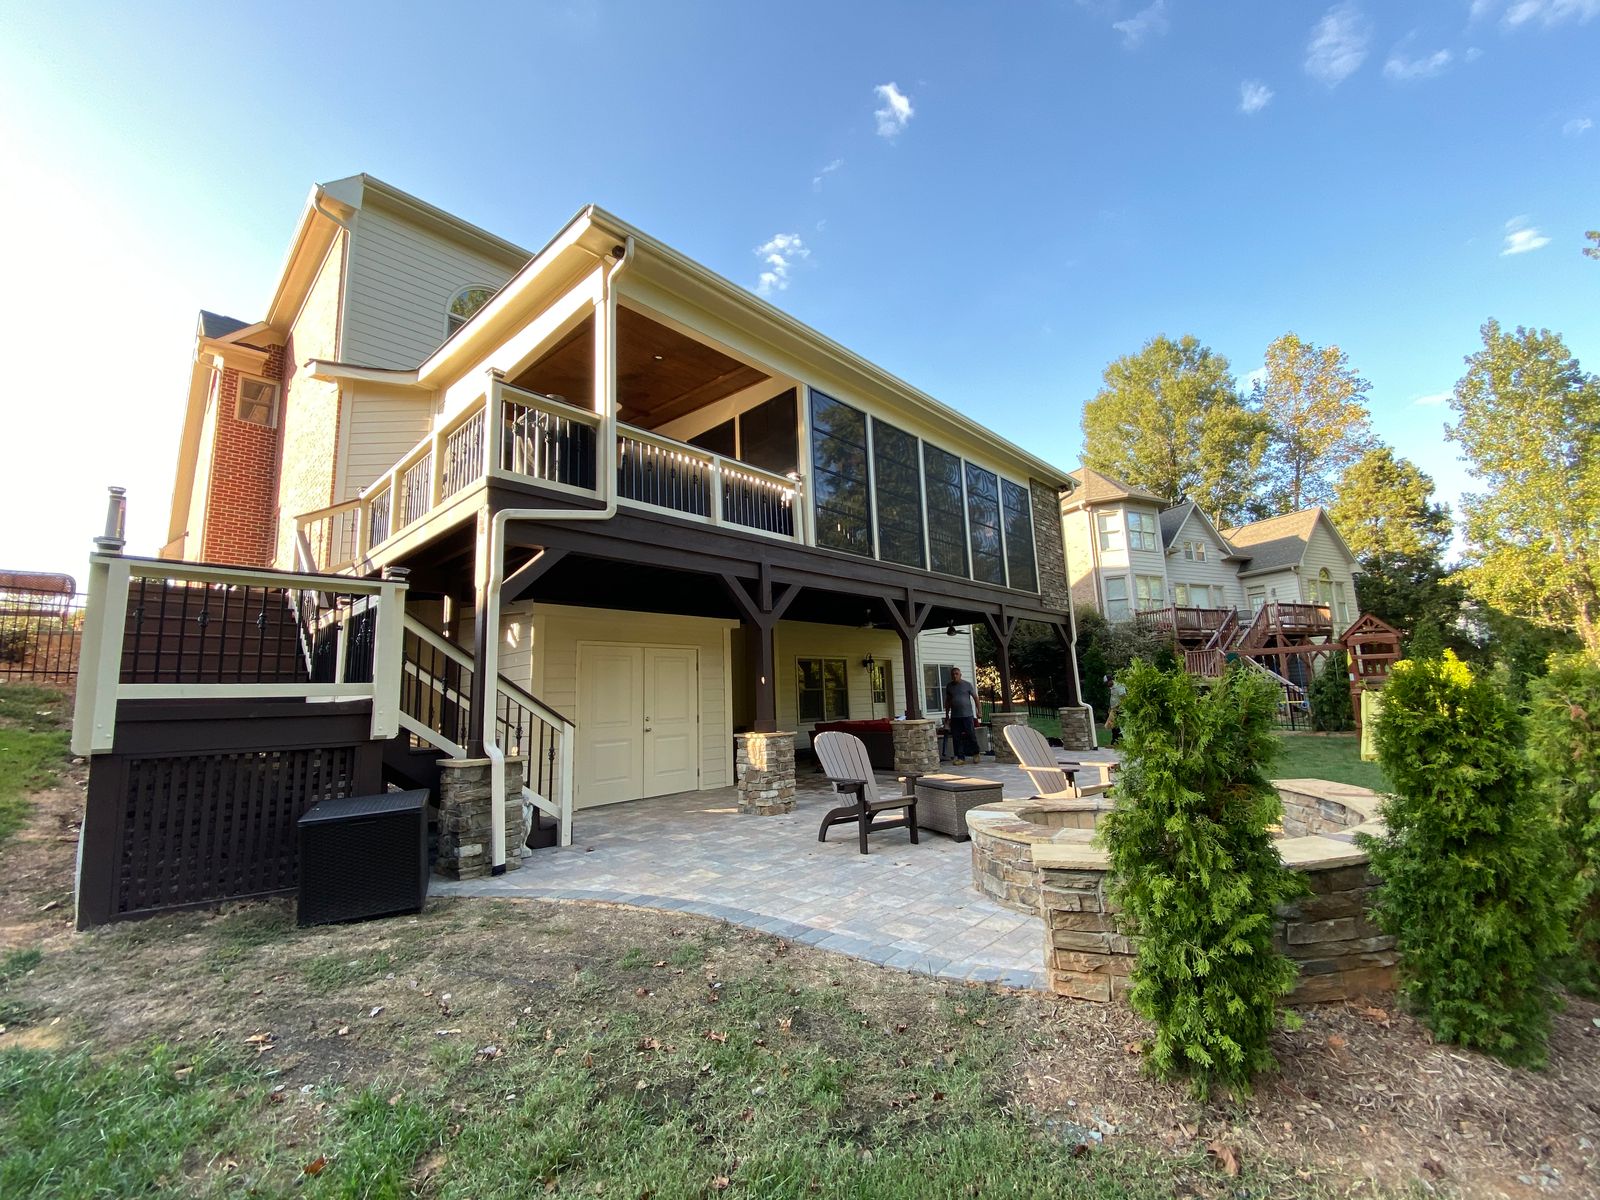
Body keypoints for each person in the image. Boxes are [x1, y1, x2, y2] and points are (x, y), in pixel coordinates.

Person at [944, 668, 981, 765]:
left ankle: (976, 753)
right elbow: (947, 701)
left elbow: (976, 698)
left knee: (971, 735)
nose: (955, 676)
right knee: (957, 737)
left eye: (956, 674)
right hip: (955, 716)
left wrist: (979, 711)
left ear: (960, 674)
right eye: (953, 674)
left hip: (967, 715)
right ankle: (960, 758)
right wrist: (947, 714)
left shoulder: (967, 685)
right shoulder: (949, 686)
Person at [1105, 674, 1128, 745]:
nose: (1106, 685)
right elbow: (1113, 699)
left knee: (1119, 726)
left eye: (1107, 683)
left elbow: (1124, 698)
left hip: (1120, 709)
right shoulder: (1112, 687)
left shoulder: (1119, 686)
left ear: (1111, 680)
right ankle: (1115, 740)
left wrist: (1118, 707)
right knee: (1113, 725)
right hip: (1113, 709)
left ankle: (1120, 740)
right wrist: (1110, 707)